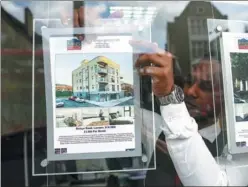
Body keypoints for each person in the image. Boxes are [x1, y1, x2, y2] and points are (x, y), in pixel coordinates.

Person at [130, 40, 248, 186]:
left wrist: (169, 97)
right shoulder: (159, 126)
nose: (190, 91)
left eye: (205, 86)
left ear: (225, 97)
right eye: (189, 81)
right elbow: (126, 110)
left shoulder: (233, 149)